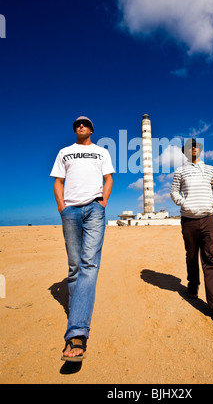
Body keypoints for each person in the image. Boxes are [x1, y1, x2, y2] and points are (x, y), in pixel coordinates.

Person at [50, 116, 115, 361]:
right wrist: (62, 207)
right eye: (77, 124)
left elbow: (108, 178)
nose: (81, 127)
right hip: (71, 211)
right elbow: (58, 181)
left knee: (89, 264)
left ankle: (77, 331)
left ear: (91, 129)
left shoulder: (101, 152)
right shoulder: (65, 152)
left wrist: (103, 202)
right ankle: (79, 309)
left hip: (94, 209)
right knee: (74, 266)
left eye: (85, 124)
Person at [170, 138, 213, 331]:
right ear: (184, 151)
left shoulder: (210, 169)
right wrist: (183, 203)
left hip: (209, 219)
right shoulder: (180, 171)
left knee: (212, 260)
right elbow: (174, 192)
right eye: (188, 146)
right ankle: (193, 285)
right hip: (188, 220)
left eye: (195, 145)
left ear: (198, 149)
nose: (192, 148)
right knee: (191, 256)